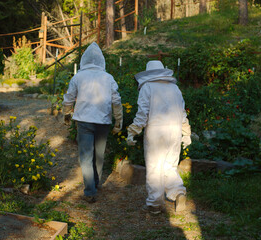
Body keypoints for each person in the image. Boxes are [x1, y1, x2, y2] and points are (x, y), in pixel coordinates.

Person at [126, 60, 191, 214]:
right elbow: (182, 112)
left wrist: (133, 131)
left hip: (156, 132)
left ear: (148, 74)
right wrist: (186, 132)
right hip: (174, 131)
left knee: (155, 168)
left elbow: (143, 114)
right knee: (170, 166)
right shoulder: (175, 88)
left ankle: (155, 204)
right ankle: (178, 193)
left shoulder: (147, 87)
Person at [62, 42, 123, 203]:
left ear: (84, 60)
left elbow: (68, 98)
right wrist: (119, 120)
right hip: (103, 121)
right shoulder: (108, 77)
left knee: (86, 156)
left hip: (83, 121)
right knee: (99, 154)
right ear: (101, 60)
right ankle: (95, 183)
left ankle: (90, 190)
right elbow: (116, 101)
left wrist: (66, 113)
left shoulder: (78, 77)